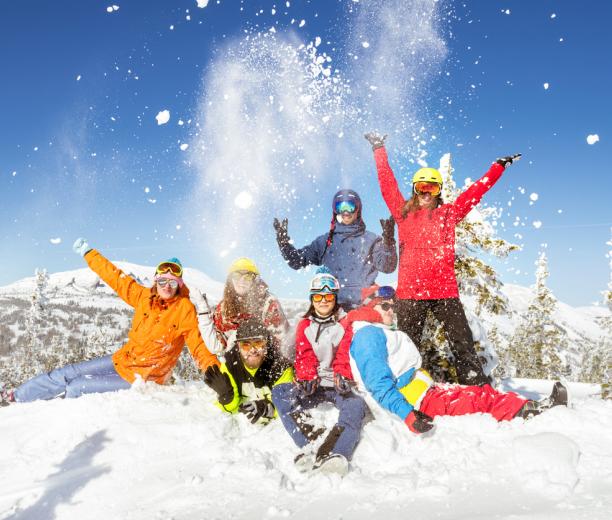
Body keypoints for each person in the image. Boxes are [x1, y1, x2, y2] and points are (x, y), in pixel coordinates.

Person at [364, 132, 521, 385]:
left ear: (439, 192)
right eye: (421, 187)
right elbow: (387, 184)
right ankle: (405, 389)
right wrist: (379, 149)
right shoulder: (403, 213)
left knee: (463, 344)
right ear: (415, 190)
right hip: (410, 295)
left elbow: (475, 192)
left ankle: (476, 386)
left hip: (444, 293)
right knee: (407, 346)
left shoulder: (449, 214)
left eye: (432, 187)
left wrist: (497, 167)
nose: (426, 193)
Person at [2, 239, 220, 404]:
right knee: (66, 373)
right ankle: (15, 396)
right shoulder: (144, 297)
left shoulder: (185, 310)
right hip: (122, 359)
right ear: (156, 280)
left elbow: (200, 347)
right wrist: (89, 253)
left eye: (173, 282)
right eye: (162, 280)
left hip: (143, 376)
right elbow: (115, 277)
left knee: (78, 386)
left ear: (180, 285)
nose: (167, 286)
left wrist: (216, 373)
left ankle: (53, 416)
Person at [344, 285, 568, 435]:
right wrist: (409, 415)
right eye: (385, 306)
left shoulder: (380, 330)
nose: (392, 311)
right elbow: (378, 385)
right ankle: (532, 413)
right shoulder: (368, 335)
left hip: (426, 394)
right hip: (418, 403)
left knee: (480, 392)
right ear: (369, 308)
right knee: (479, 401)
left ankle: (525, 406)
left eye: (393, 305)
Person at [271, 268, 368, 476]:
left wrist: (342, 374)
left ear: (335, 298)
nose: (323, 301)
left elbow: (344, 352)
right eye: (318, 297)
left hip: (337, 384)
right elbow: (304, 354)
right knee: (280, 393)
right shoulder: (304, 324)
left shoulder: (345, 323)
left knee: (356, 405)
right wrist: (306, 375)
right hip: (314, 384)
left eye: (328, 296)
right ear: (312, 299)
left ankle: (337, 452)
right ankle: (311, 443)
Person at [273, 189, 397, 310]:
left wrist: (388, 243)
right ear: (335, 210)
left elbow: (387, 267)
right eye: (340, 207)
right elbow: (297, 261)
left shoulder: (371, 240)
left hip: (365, 306)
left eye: (350, 206)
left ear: (358, 209)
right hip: (333, 308)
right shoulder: (324, 242)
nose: (346, 212)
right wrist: (284, 243)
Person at [197, 257, 292, 360]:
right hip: (236, 367)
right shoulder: (224, 308)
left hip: (266, 364)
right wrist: (204, 314)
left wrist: (241, 337)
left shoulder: (268, 304)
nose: (241, 281)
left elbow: (281, 344)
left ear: (254, 280)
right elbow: (218, 346)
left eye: (247, 277)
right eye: (236, 276)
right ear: (230, 280)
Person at [203, 318, 293, 425]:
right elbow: (229, 411)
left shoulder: (280, 367)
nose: (252, 350)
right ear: (238, 346)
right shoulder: (230, 365)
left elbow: (288, 406)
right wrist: (226, 397)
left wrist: (267, 409)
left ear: (266, 344)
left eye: (258, 343)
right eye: (246, 344)